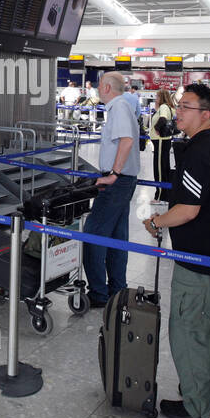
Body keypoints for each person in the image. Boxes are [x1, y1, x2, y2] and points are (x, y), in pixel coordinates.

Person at [141, 83, 210, 418]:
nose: (178, 111)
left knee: (189, 331)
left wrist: (156, 221)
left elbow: (188, 209)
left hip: (197, 257)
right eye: (179, 105)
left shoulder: (200, 152)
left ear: (206, 114)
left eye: (186, 106)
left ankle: (199, 406)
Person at [82, 71, 140, 307]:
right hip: (124, 180)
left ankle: (98, 293)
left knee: (93, 236)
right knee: (117, 237)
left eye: (98, 85)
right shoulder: (122, 106)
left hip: (117, 181)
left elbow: (126, 140)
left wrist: (113, 174)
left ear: (106, 87)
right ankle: (117, 289)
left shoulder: (118, 107)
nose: (97, 89)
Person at [149, 89, 176, 201]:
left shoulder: (164, 107)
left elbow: (163, 119)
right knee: (164, 167)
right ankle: (165, 195)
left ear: (162, 97)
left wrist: (156, 128)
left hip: (161, 140)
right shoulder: (167, 107)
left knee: (159, 169)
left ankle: (160, 196)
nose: (156, 98)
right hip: (163, 141)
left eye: (157, 96)